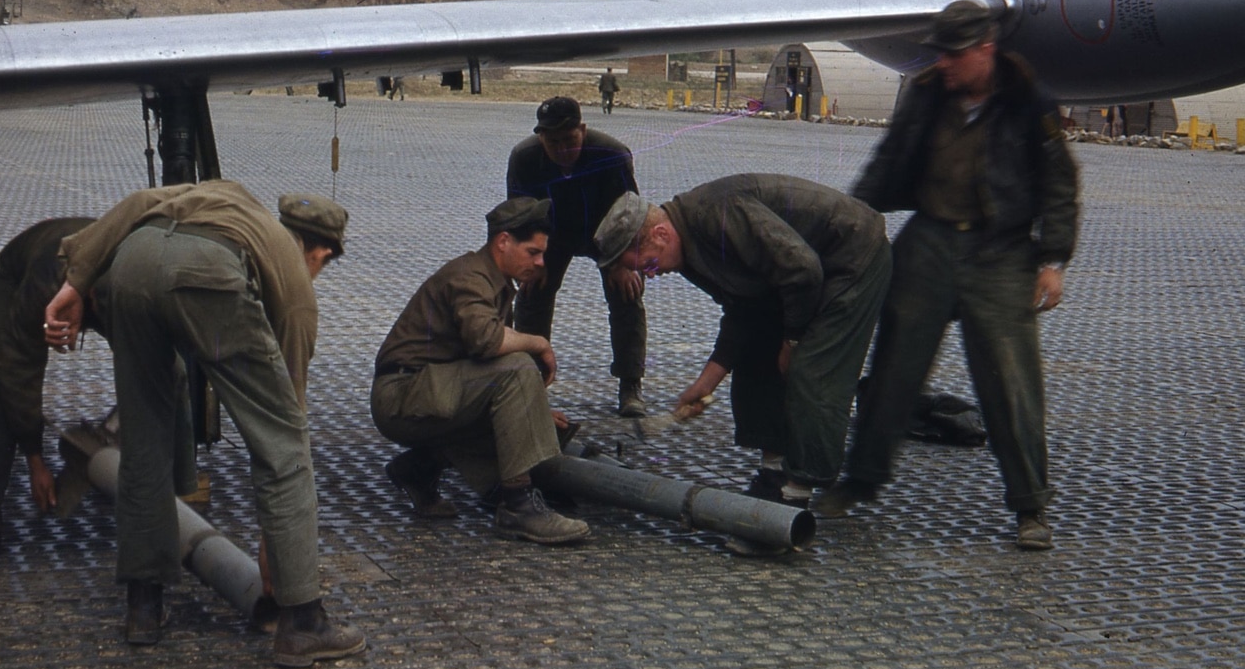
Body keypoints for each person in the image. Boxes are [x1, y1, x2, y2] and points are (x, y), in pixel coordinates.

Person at [42, 181, 364, 666]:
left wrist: (74, 283)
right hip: (206, 275)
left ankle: (144, 608)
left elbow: (136, 204)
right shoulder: (296, 287)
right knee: (285, 446)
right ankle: (303, 623)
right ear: (318, 252)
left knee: (144, 438)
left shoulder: (226, 196)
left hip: (131, 264)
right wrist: (276, 548)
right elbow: (284, 436)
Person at [813, 0, 1079, 552]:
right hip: (929, 239)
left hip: (1001, 249)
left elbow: (1059, 182)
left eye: (956, 55)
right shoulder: (927, 94)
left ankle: (1030, 507)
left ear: (986, 48)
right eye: (942, 54)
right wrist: (849, 220)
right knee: (892, 368)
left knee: (1010, 379)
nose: (946, 65)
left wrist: (1053, 260)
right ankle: (861, 480)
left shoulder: (1030, 102)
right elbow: (888, 162)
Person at [594, 174, 891, 508]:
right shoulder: (686, 251)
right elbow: (744, 313)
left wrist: (792, 342)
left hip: (851, 256)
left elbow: (803, 270)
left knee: (812, 370)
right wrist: (705, 383)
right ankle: (774, 472)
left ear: (660, 234)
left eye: (648, 264)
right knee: (754, 354)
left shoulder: (718, 216)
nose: (651, 275)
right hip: (797, 278)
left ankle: (796, 494)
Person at [371, 197, 590, 545]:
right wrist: (539, 343)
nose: (540, 262)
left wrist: (530, 409)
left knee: (519, 385)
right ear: (503, 242)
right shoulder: (471, 277)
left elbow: (485, 370)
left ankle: (419, 469)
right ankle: (518, 506)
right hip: (402, 394)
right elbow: (486, 343)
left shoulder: (494, 281)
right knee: (518, 368)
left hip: (427, 389)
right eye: (533, 252)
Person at [0, 217, 99, 564]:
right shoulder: (43, 287)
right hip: (25, 274)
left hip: (96, 280)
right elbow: (17, 366)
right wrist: (35, 459)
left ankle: (171, 484)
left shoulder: (130, 281)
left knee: (168, 369)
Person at [508, 96, 648, 416]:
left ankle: (630, 383)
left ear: (582, 130)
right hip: (550, 235)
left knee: (627, 293)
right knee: (531, 294)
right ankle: (530, 379)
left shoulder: (612, 154)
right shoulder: (524, 158)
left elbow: (628, 215)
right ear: (540, 137)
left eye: (569, 140)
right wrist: (530, 262)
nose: (561, 149)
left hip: (605, 232)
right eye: (552, 141)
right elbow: (518, 216)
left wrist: (623, 263)